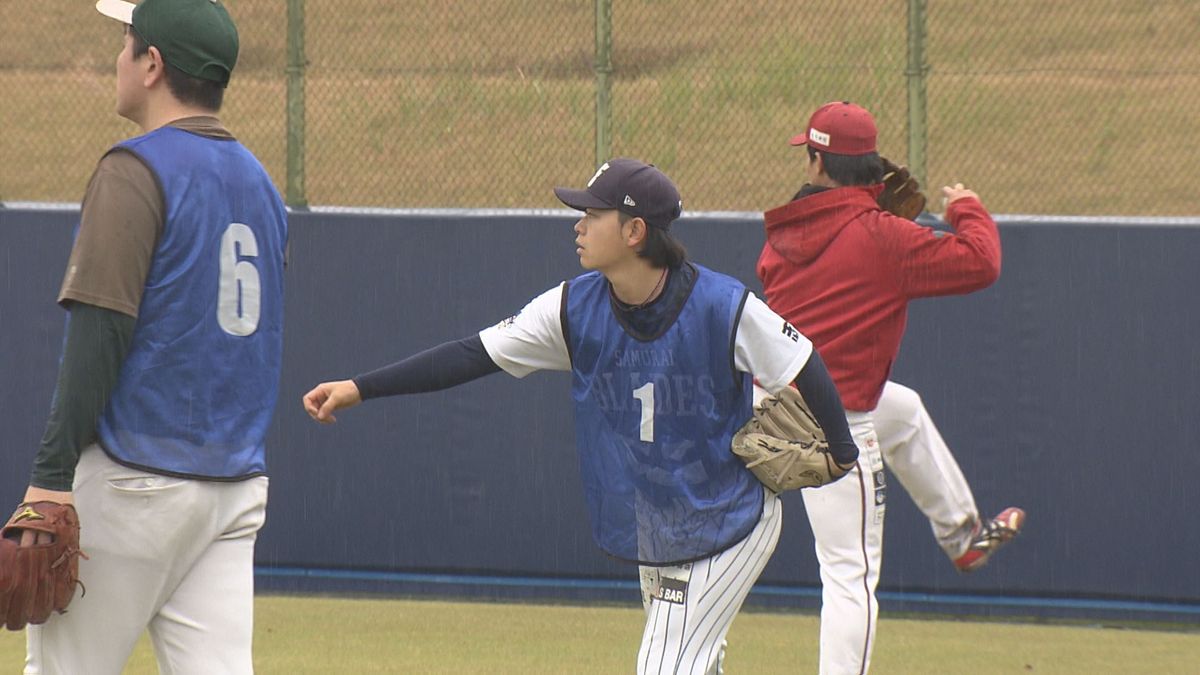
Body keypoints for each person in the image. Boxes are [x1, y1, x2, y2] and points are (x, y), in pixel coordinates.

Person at [303, 158, 859, 674]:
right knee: (690, 661)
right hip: (660, 519)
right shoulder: (573, 307)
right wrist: (360, 387)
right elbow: (474, 353)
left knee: (665, 665)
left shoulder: (721, 304)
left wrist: (842, 449)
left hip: (730, 517)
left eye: (593, 214)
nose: (578, 225)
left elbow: (802, 359)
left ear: (635, 231)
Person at [9, 1, 287, 672]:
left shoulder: (137, 168)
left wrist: (50, 478)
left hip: (135, 477)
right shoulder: (261, 185)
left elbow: (101, 329)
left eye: (126, 42)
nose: (118, 57)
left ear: (153, 64)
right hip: (232, 485)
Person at [757, 101, 1025, 674]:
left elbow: (839, 248)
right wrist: (966, 209)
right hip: (826, 426)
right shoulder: (887, 238)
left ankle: (962, 535)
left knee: (902, 410)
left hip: (765, 409)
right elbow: (982, 262)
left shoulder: (780, 237)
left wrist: (878, 214)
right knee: (850, 576)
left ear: (816, 162)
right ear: (874, 167)